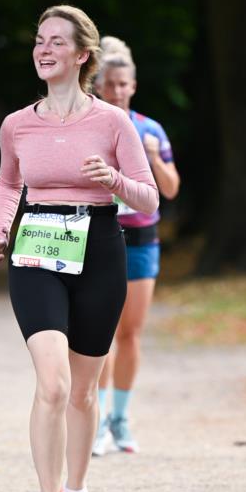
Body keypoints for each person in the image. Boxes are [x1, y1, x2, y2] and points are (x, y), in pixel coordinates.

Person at [0, 6, 159, 492]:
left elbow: (150, 197)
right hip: (36, 249)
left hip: (100, 248)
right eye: (39, 40)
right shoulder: (17, 123)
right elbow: (9, 184)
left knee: (83, 390)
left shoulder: (112, 122)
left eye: (57, 41)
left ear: (82, 55)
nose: (44, 49)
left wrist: (116, 180)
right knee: (53, 383)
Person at [92, 37, 180, 455]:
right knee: (101, 332)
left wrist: (154, 159)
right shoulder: (91, 127)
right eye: (111, 85)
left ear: (134, 85)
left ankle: (120, 418)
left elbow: (171, 189)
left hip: (142, 238)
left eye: (124, 84)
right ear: (98, 86)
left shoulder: (151, 130)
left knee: (130, 332)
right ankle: (98, 423)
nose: (118, 91)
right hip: (102, 234)